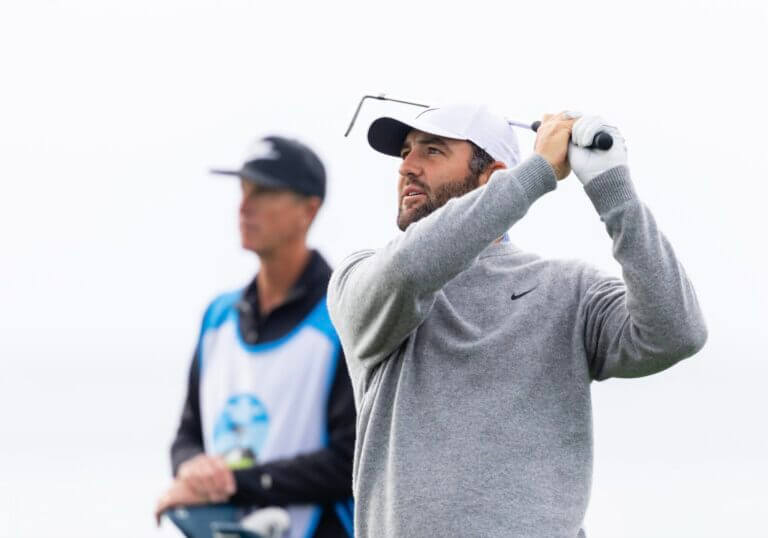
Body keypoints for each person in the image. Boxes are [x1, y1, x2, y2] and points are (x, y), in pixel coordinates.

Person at [327, 105, 707, 537]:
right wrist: (538, 172)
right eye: (405, 153)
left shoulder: (568, 289)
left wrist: (613, 189)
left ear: (492, 177)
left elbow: (677, 331)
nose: (407, 167)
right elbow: (410, 269)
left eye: (432, 151)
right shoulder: (361, 277)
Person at [157, 136, 355, 538]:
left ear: (309, 209)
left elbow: (351, 460)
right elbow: (187, 437)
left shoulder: (345, 314)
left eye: (264, 192)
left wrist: (234, 481)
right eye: (244, 190)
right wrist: (193, 469)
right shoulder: (218, 317)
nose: (244, 206)